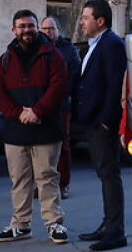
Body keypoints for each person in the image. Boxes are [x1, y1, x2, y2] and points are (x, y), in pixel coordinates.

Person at [0, 10, 69, 245]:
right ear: (13, 30)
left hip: (46, 129)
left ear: (37, 28)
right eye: (22, 26)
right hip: (16, 131)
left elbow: (59, 87)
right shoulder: (5, 60)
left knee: (47, 178)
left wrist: (37, 111)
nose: (27, 30)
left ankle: (54, 224)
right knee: (19, 181)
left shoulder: (53, 56)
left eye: (30, 25)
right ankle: (21, 225)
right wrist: (18, 113)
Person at [76, 0, 128, 251]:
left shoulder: (112, 44)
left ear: (100, 21)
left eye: (86, 17)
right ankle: (108, 225)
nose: (82, 22)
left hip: (102, 123)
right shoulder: (96, 44)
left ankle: (115, 232)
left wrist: (107, 121)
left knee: (109, 175)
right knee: (104, 174)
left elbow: (114, 85)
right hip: (92, 121)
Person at [40, 16, 81, 200]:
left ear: (58, 30)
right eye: (45, 29)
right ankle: (43, 184)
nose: (48, 32)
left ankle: (63, 184)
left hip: (61, 105)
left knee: (62, 145)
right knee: (41, 147)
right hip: (41, 106)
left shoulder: (68, 50)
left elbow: (74, 78)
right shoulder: (38, 47)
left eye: (51, 28)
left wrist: (60, 95)